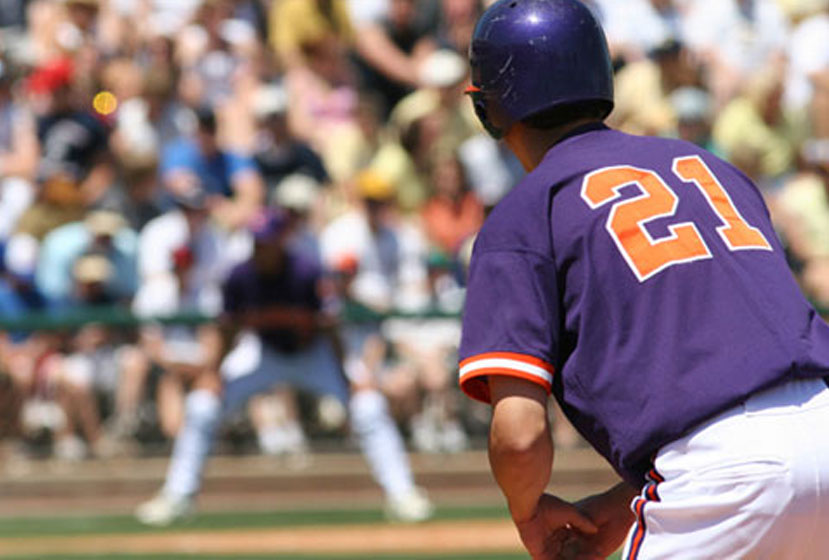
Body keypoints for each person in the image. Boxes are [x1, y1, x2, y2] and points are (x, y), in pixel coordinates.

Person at [459, 1, 829, 559]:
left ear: (489, 108)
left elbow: (520, 435)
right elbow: (750, 388)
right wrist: (620, 505)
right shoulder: (710, 170)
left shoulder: (524, 215)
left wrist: (528, 511)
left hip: (723, 481)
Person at [135, 209, 433, 526]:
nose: (260, 249)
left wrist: (348, 375)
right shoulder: (240, 276)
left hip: (314, 354)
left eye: (266, 242)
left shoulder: (306, 272)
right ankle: (178, 496)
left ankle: (403, 494)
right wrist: (213, 373)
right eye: (257, 242)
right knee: (202, 406)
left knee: (369, 406)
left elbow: (328, 328)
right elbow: (228, 329)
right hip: (262, 352)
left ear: (281, 240)